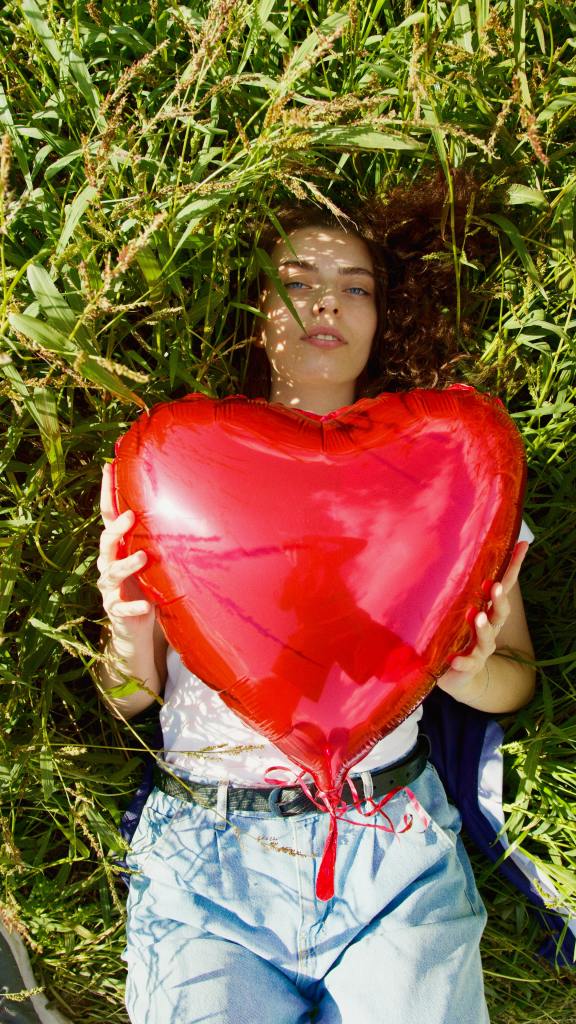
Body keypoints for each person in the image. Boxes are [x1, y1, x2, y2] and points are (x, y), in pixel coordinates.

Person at [97, 177, 536, 1024]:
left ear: (382, 316)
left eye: (355, 287)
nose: (326, 303)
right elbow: (128, 700)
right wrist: (124, 630)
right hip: (204, 862)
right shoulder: (167, 470)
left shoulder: (452, 468)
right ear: (257, 310)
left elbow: (514, 681)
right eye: (296, 283)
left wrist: (463, 669)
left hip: (393, 851)